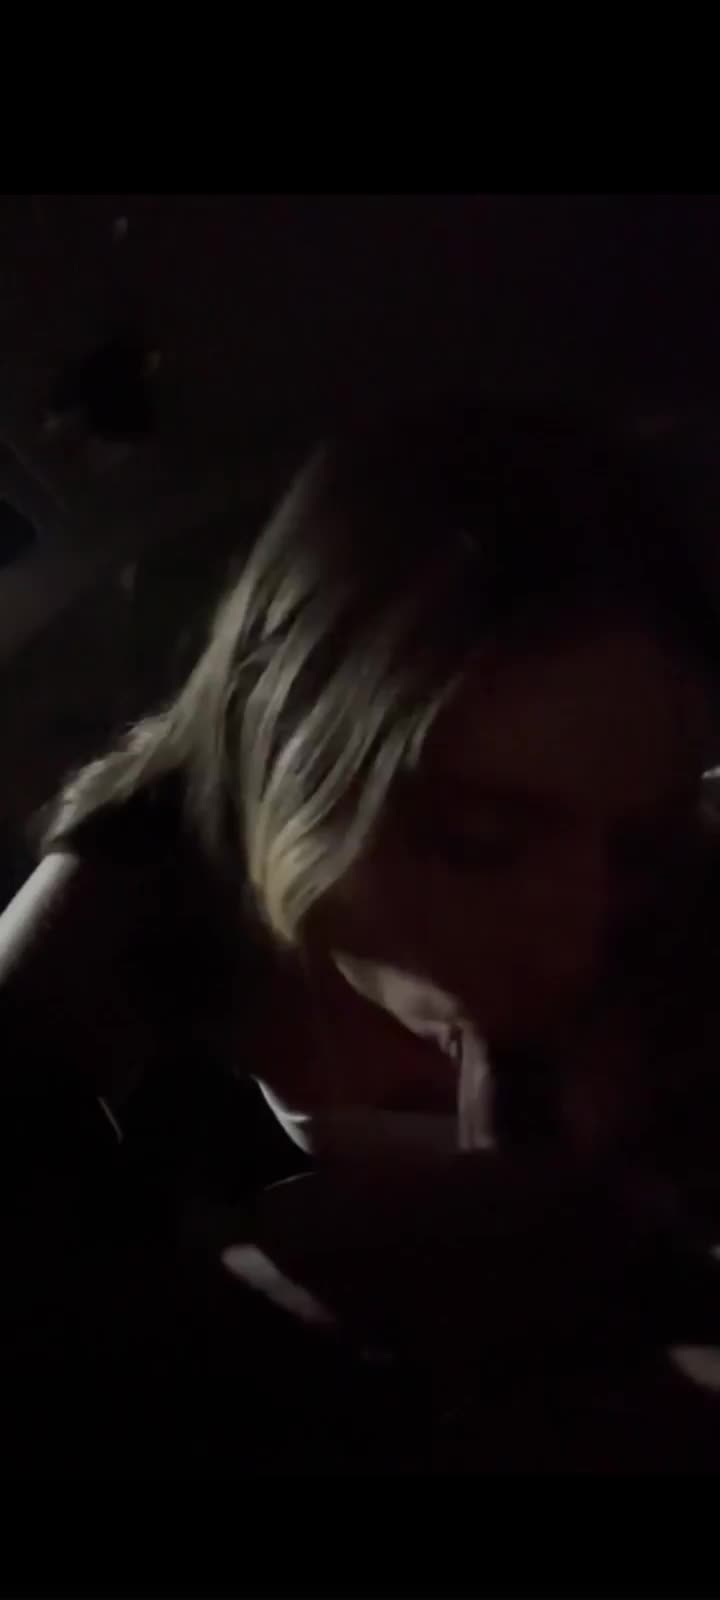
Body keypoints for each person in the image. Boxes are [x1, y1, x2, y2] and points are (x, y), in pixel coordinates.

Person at [4, 399, 720, 1201]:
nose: (572, 951)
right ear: (291, 762)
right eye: (476, 842)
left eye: (636, 849)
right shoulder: (146, 865)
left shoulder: (681, 908)